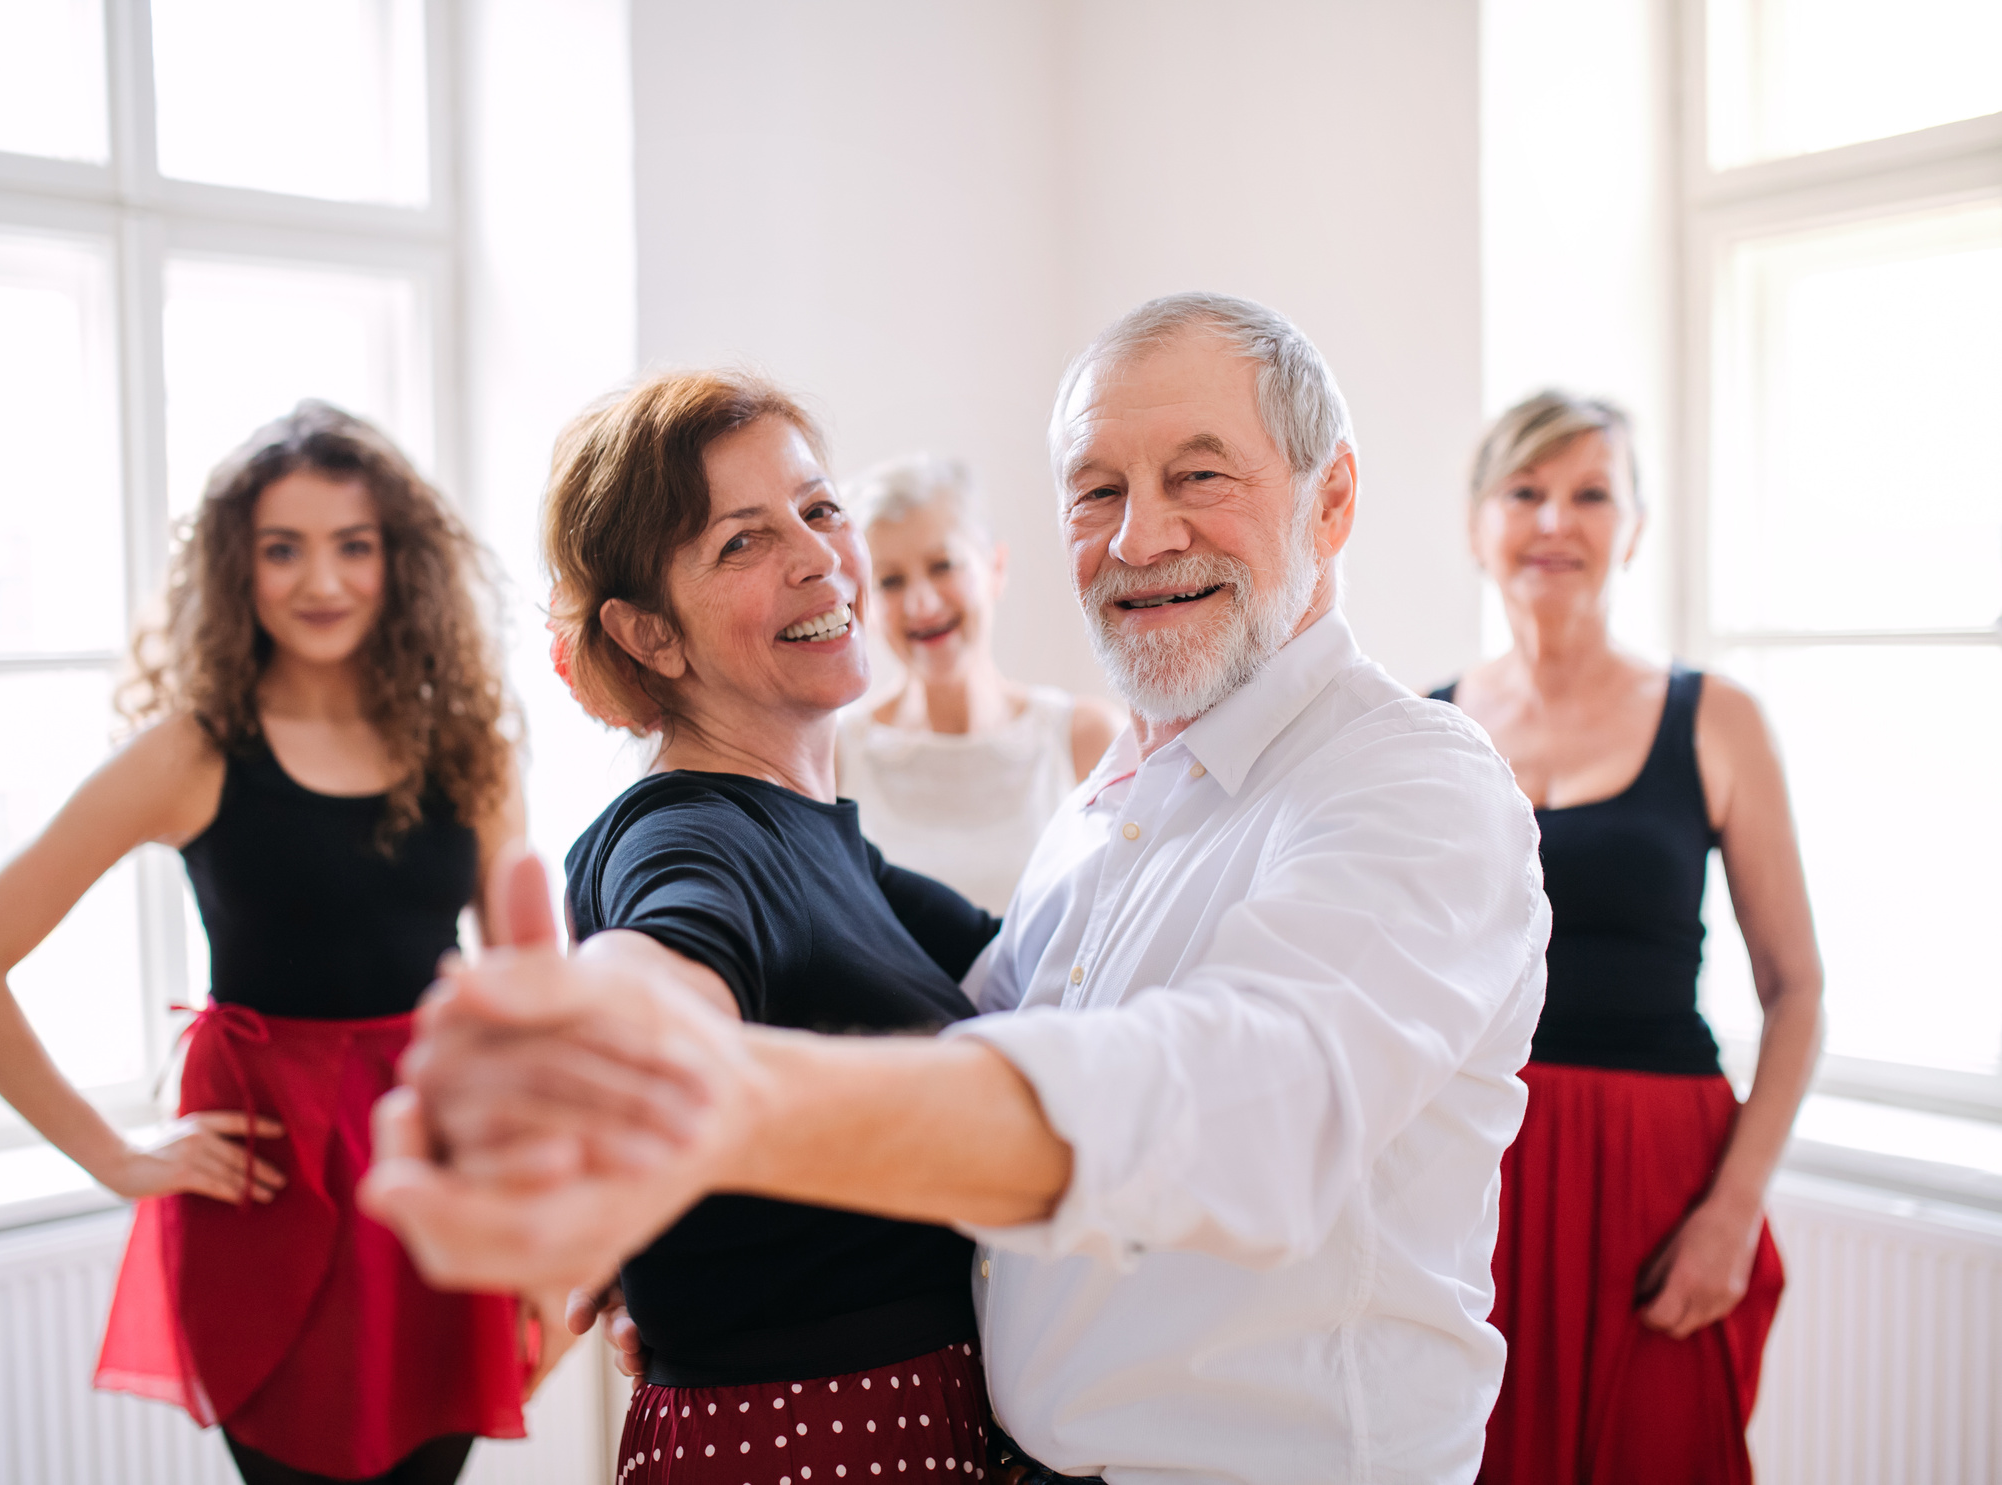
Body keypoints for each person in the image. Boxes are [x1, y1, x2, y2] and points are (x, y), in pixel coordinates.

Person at [365, 292, 1555, 1483]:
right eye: (1097, 491)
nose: (1140, 538)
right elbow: (849, 1001)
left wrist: (706, 1112)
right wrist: (697, 1210)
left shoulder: (1410, 782)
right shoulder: (1112, 805)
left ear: (1329, 498)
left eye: (1199, 477)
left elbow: (1235, 1098)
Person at [0, 402, 546, 1485]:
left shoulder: (466, 745)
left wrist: (548, 1232)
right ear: (236, 567)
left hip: (431, 1158)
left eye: (354, 546)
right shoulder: (191, 752)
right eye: (282, 549)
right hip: (269, 1188)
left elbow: (535, 998)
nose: (323, 581)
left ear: (400, 562)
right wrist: (113, 1156)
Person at [524, 371, 1000, 1478]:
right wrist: (612, 1044)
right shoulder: (687, 834)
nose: (816, 554)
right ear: (649, 634)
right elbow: (660, 964)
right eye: (741, 542)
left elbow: (1060, 967)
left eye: (819, 508)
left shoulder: (831, 845)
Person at [1432, 392, 1822, 1485]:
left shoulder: (1716, 718)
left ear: (1633, 527)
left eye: (1589, 493)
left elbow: (1795, 989)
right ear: (1476, 525)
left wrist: (1732, 1210)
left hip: (1660, 1176)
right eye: (1524, 492)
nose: (1554, 520)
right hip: (1472, 1171)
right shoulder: (1421, 732)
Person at [836, 455, 1121, 911]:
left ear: (996, 568)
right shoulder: (835, 757)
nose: (921, 603)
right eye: (890, 581)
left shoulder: (1089, 740)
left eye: (943, 565)